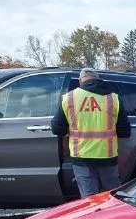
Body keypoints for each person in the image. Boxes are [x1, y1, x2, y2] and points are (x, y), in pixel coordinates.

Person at [51, 69, 131, 197]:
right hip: (107, 157)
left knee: (89, 201)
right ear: (98, 79)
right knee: (111, 198)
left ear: (80, 81)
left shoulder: (69, 98)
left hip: (82, 158)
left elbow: (57, 129)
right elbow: (125, 131)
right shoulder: (113, 98)